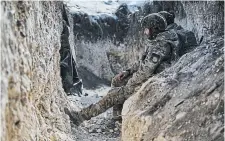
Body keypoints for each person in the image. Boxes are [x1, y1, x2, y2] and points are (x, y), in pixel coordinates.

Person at [64, 11, 197, 126]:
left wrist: (130, 84)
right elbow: (142, 63)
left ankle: (80, 117)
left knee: (114, 94)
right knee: (117, 81)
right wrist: (127, 72)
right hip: (152, 75)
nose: (145, 32)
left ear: (154, 29)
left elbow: (146, 70)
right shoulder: (159, 41)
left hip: (155, 80)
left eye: (147, 29)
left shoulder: (160, 46)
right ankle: (119, 116)